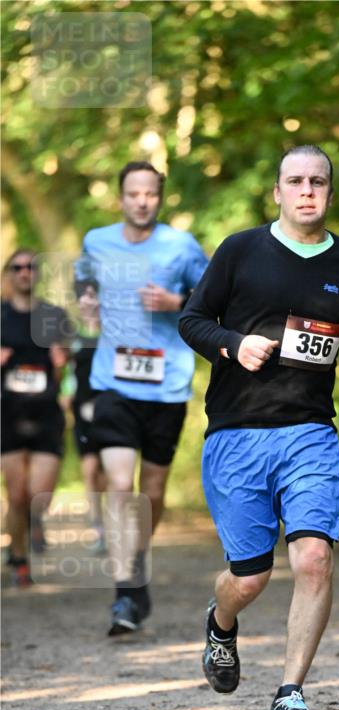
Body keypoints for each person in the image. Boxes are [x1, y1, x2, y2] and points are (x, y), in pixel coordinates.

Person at [179, 144, 339, 710]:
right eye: (295, 181)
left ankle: (290, 692)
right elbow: (191, 320)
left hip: (309, 434)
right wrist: (232, 343)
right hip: (237, 434)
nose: (307, 190)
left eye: (318, 181)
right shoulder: (241, 250)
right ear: (277, 191)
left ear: (330, 192)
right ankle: (221, 622)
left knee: (314, 558)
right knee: (249, 577)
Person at [75, 161, 208, 635]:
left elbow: (215, 294)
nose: (142, 201)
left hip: (166, 382)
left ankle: (135, 559)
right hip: (112, 379)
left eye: (150, 193)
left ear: (159, 198)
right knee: (117, 482)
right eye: (133, 193)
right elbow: (82, 279)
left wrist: (177, 303)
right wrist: (85, 299)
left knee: (151, 492)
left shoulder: (181, 246)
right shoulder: (97, 241)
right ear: (120, 198)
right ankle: (126, 591)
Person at [1, 249, 71, 586]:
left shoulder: (54, 315)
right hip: (8, 414)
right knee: (16, 495)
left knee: (38, 495)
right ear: (9, 275)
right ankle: (19, 558)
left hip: (46, 413)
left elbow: (67, 369)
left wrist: (60, 366)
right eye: (18, 268)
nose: (25, 272)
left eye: (31, 267)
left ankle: (31, 525)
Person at [61, 279, 106, 553]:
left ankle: (117, 526)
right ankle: (97, 526)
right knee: (90, 471)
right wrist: (65, 394)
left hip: (112, 407)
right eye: (83, 297)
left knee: (112, 471)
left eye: (93, 296)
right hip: (82, 408)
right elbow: (67, 371)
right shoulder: (73, 336)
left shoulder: (113, 332)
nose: (89, 302)